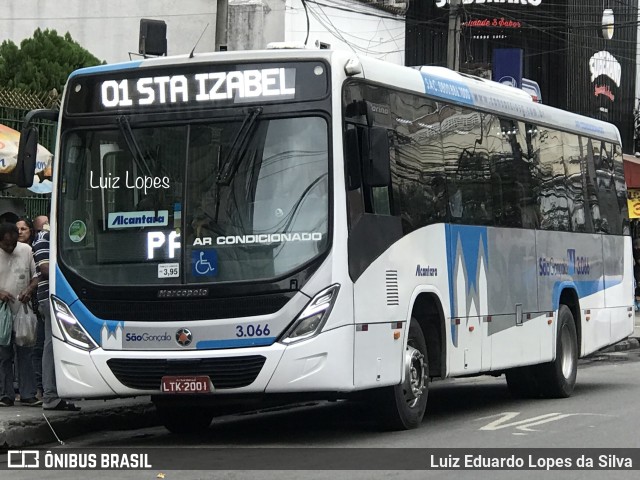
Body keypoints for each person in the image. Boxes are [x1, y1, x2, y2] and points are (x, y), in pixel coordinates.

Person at [32, 226, 80, 411]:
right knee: (52, 346)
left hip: (54, 297)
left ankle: (55, 393)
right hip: (51, 298)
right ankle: (50, 395)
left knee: (55, 345)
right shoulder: (45, 237)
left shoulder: (55, 237)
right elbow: (44, 268)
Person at [0, 223, 40, 407]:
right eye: (6, 244)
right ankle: (6, 394)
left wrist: (29, 289)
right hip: (3, 311)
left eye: (13, 243)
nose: (10, 248)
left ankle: (27, 393)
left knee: (26, 352)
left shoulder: (26, 250)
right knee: (4, 354)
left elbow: (36, 276)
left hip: (22, 309)